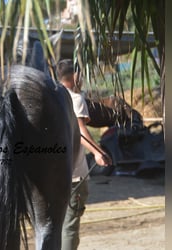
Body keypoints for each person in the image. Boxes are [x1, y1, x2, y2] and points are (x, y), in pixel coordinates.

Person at [56, 59, 112, 250]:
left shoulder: (51, 98)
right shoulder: (75, 99)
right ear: (75, 76)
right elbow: (80, 131)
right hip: (74, 174)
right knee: (70, 226)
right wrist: (98, 153)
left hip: (50, 174)